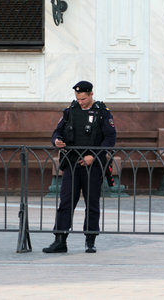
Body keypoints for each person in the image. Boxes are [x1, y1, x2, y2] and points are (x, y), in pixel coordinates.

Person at [43, 80, 116, 254]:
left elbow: (110, 139)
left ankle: (90, 241)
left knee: (92, 203)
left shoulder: (102, 113)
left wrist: (94, 156)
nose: (80, 102)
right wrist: (57, 141)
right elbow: (57, 132)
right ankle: (60, 240)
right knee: (66, 201)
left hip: (93, 165)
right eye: (78, 98)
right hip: (72, 163)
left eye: (83, 98)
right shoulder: (70, 111)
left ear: (91, 94)